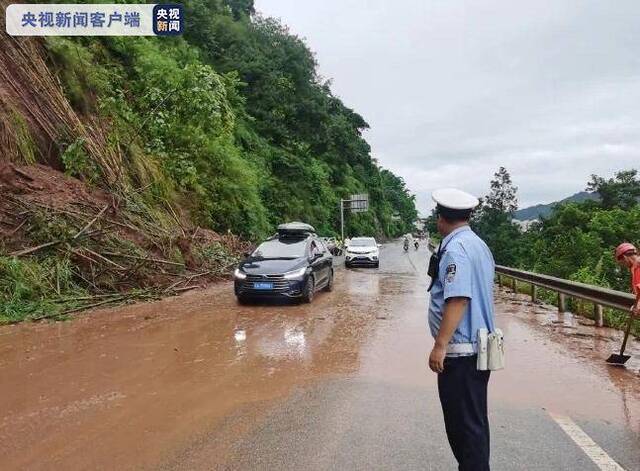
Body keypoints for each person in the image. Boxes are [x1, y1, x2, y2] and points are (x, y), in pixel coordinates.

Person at [427, 188, 496, 471]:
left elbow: (458, 298)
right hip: (478, 350)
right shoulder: (478, 244)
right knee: (474, 425)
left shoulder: (455, 249)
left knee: (464, 430)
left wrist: (440, 345)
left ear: (441, 218)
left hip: (461, 353)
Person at [614, 242, 640, 318]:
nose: (624, 265)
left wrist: (637, 305)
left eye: (622, 263)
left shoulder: (637, 266)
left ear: (625, 257)